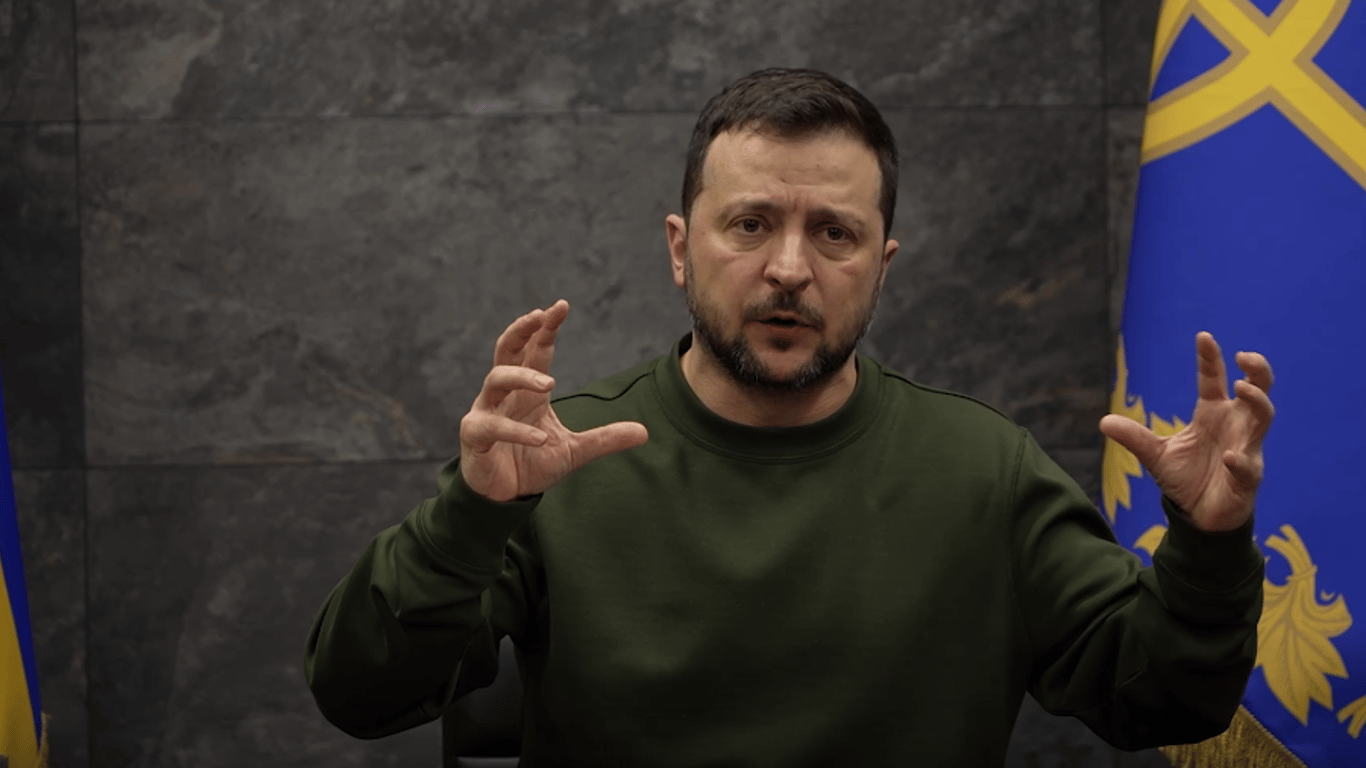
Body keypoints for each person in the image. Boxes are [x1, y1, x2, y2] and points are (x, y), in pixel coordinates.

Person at [305, 68, 1274, 766]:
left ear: (881, 267)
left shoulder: (986, 471)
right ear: (680, 248)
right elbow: (359, 696)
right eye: (751, 223)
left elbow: (1166, 705)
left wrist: (1207, 546)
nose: (788, 268)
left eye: (834, 233)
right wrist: (469, 520)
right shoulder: (552, 461)